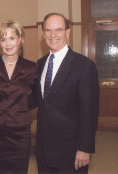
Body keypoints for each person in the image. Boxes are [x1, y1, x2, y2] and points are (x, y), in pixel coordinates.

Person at [30, 13, 99, 173]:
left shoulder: (84, 66)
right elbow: (36, 99)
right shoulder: (39, 65)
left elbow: (90, 113)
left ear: (67, 32)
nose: (53, 35)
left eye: (58, 30)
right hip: (44, 149)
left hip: (71, 150)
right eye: (48, 30)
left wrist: (84, 148)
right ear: (43, 34)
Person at [0, 20, 37, 174]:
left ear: (19, 39)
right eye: (3, 39)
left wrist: (21, 106)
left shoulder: (31, 67)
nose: (8, 43)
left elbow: (37, 96)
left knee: (18, 169)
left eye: (11, 38)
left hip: (20, 131)